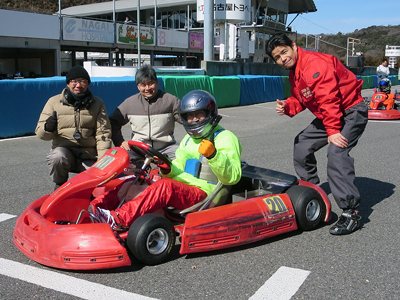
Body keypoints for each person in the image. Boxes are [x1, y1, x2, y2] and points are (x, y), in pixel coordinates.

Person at [90, 90, 242, 230]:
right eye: (190, 116)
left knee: (165, 187)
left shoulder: (225, 138)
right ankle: (93, 209)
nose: (194, 120)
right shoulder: (189, 140)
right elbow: (179, 167)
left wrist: (213, 155)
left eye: (199, 114)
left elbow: (232, 177)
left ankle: (118, 219)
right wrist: (168, 168)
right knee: (135, 179)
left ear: (209, 113)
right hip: (185, 187)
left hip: (205, 194)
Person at [266, 33, 368, 235]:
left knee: (336, 153)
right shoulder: (295, 72)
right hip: (330, 115)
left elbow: (328, 99)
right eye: (277, 57)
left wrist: (333, 132)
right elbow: (303, 99)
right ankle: (311, 189)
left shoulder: (314, 64)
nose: (282, 59)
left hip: (351, 110)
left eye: (284, 52)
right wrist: (287, 106)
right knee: (302, 144)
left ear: (294, 46)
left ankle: (351, 212)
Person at [35, 65, 112, 190]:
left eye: (83, 81)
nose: (78, 85)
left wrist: (103, 162)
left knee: (103, 184)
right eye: (74, 81)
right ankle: (60, 185)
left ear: (88, 84)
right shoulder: (53, 102)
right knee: (57, 156)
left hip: (89, 155)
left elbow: (103, 133)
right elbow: (40, 134)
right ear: (68, 83)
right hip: (65, 153)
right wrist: (48, 128)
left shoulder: (97, 103)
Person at [108, 65, 182, 162]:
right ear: (138, 86)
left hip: (166, 148)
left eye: (151, 83)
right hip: (138, 149)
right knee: (121, 160)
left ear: (157, 82)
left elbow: (188, 119)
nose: (147, 88)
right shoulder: (130, 103)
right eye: (143, 84)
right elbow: (112, 122)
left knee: (184, 158)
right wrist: (120, 142)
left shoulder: (170, 100)